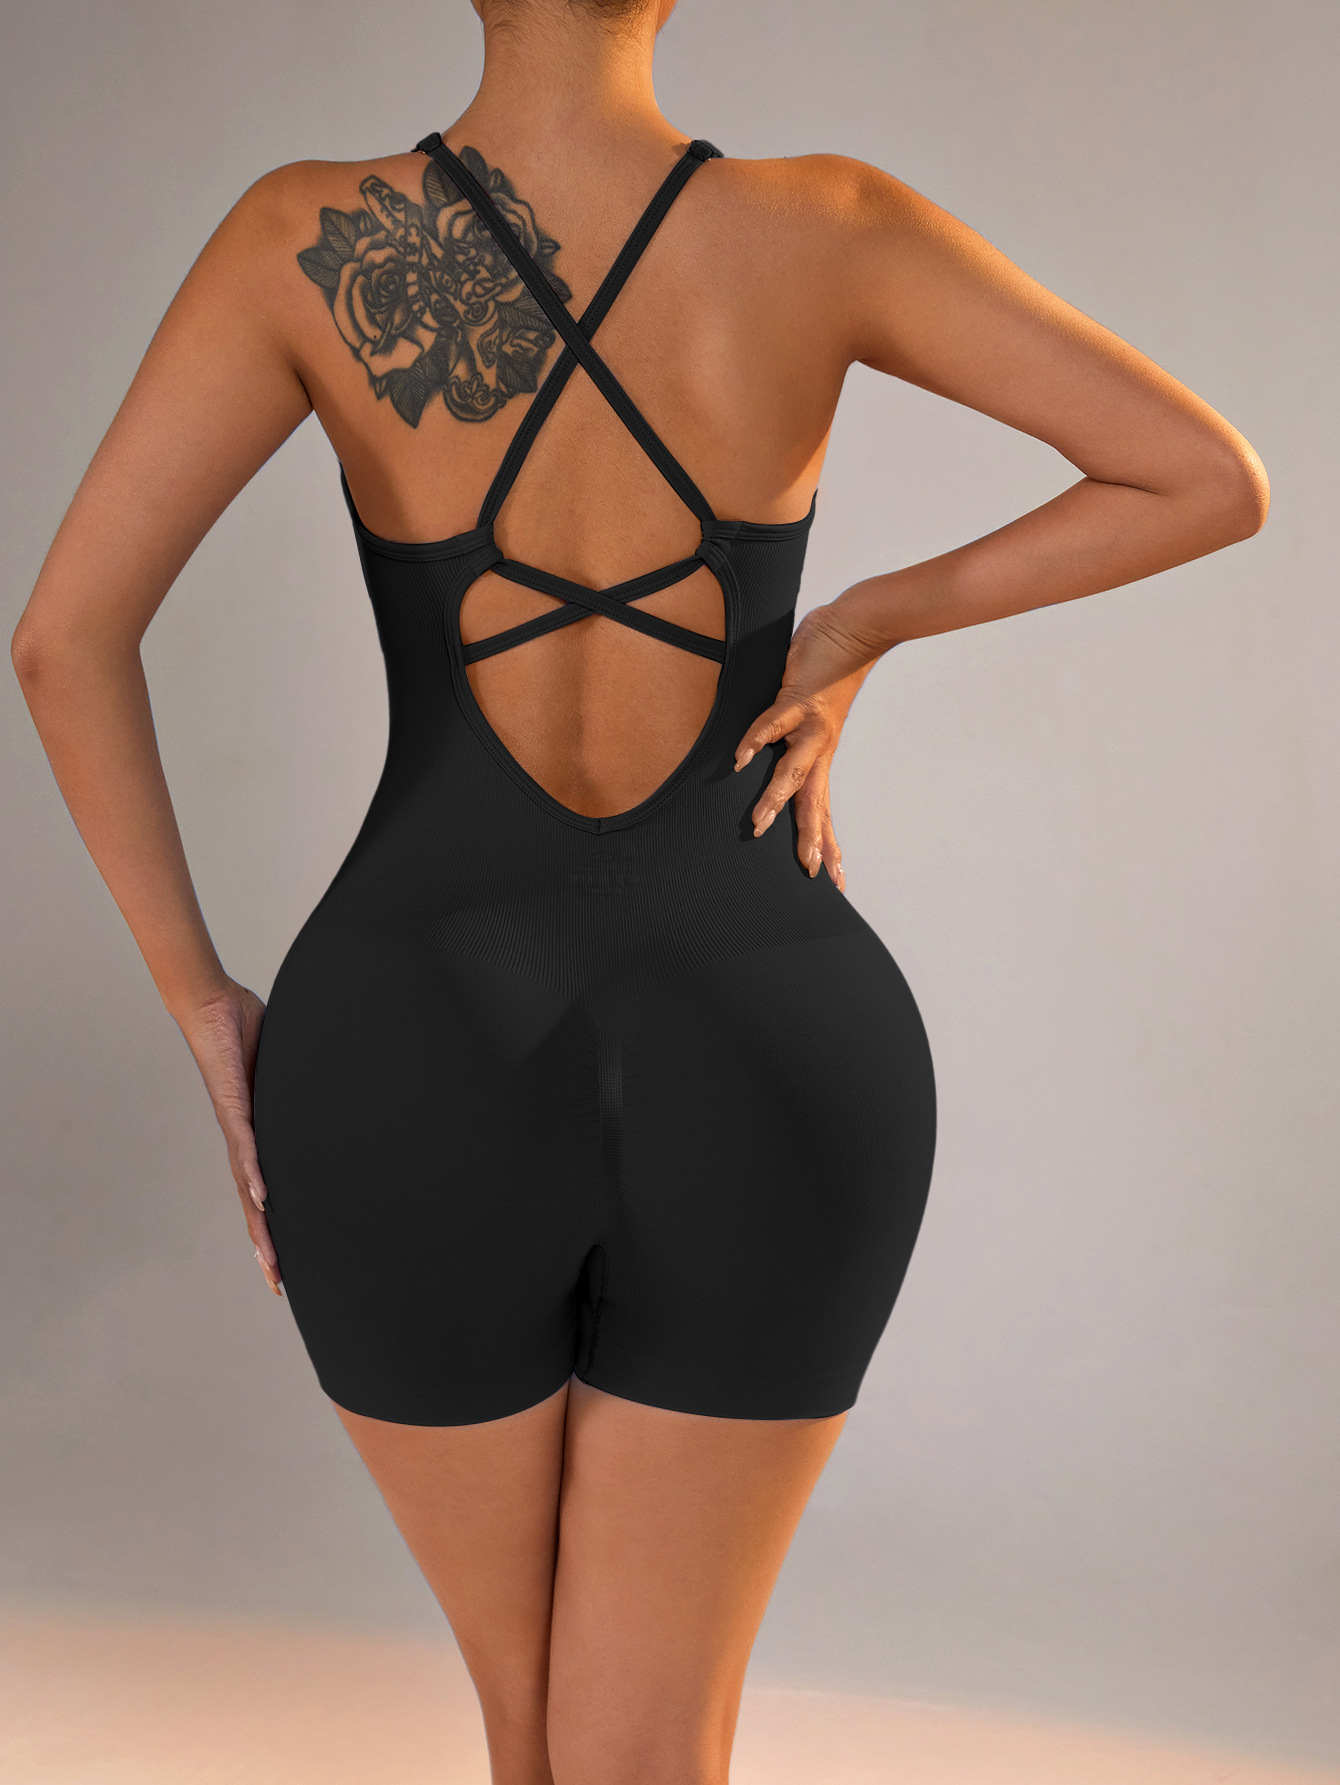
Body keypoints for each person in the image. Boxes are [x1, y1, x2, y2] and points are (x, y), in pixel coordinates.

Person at [11, 0, 1267, 1779]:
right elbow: (1206, 475)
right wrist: (863, 622)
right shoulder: (832, 225)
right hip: (773, 1032)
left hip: (413, 1041)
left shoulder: (306, 235)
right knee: (644, 1749)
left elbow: (62, 639)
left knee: (540, 1738)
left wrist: (202, 1000)